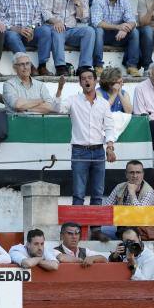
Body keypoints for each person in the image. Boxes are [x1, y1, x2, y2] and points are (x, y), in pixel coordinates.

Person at [55, 66, 117, 205]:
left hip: (98, 150)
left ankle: (95, 227)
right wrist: (59, 89)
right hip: (79, 151)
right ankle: (76, 226)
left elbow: (109, 127)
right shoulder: (73, 100)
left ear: (95, 81)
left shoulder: (103, 103)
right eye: (83, 79)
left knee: (98, 193)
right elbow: (57, 109)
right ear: (80, 82)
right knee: (78, 193)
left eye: (90, 78)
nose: (87, 81)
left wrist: (110, 147)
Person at [42, 0, 95, 75]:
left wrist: (77, 1)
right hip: (55, 27)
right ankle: (60, 66)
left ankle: (84, 67)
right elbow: (45, 11)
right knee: (58, 30)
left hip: (72, 30)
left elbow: (84, 18)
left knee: (90, 31)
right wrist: (55, 21)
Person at [0, 0, 52, 75]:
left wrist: (31, 28)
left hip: (30, 32)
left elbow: (38, 17)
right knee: (11, 36)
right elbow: (0, 18)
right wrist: (17, 29)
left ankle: (42, 66)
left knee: (45, 30)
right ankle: (29, 65)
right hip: (13, 31)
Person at [91, 0, 139, 76]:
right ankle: (98, 66)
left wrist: (125, 29)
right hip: (102, 35)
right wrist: (118, 27)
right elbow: (97, 22)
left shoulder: (125, 1)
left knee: (134, 32)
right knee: (98, 30)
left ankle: (132, 66)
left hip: (119, 36)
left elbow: (132, 21)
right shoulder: (98, 0)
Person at [101, 161, 154, 238]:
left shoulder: (148, 192)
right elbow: (106, 209)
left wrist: (132, 193)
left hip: (141, 231)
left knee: (129, 236)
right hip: (121, 227)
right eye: (131, 172)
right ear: (126, 174)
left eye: (138, 172)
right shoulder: (119, 187)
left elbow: (140, 215)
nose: (135, 176)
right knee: (100, 231)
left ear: (143, 174)